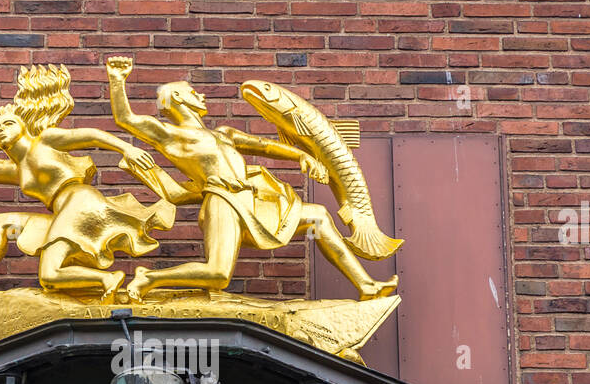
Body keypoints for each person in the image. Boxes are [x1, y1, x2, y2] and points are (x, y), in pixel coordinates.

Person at [104, 56, 391, 301]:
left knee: (318, 218)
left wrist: (301, 156)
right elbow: (126, 119)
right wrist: (117, 79)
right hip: (222, 203)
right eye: (194, 92)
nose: (201, 96)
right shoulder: (172, 135)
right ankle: (149, 278)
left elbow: (263, 145)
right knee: (217, 274)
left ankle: (366, 285)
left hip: (249, 199)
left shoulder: (224, 133)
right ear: (178, 97)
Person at [0, 87, 173, 299]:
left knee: (49, 275)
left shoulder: (45, 140)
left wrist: (127, 149)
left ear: (23, 125)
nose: (1, 130)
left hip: (80, 201)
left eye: (8, 123)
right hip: (62, 213)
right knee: (2, 222)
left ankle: (107, 279)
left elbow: (91, 136)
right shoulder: (16, 170)